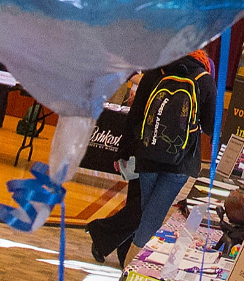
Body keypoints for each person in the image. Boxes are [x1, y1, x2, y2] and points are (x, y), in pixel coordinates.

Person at [88, 49, 215, 264]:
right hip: (180, 162)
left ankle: (118, 248)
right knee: (151, 217)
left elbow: (134, 116)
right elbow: (211, 125)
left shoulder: (156, 71)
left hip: (147, 156)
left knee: (146, 212)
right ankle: (129, 271)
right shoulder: (204, 79)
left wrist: (124, 151)